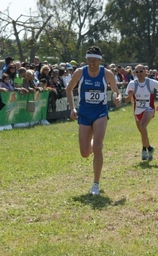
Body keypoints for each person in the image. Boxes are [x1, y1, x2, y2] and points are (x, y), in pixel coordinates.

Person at [65, 45, 122, 196]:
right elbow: (69, 89)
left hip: (100, 112)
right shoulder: (80, 73)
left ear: (100, 60)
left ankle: (95, 184)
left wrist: (118, 97)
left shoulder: (106, 74)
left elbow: (117, 91)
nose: (91, 64)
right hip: (84, 112)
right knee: (84, 153)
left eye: (94, 61)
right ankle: (95, 144)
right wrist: (72, 108)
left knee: (97, 148)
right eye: (89, 61)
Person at [124, 64, 158, 161]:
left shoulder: (150, 82)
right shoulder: (132, 84)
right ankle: (150, 148)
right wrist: (129, 96)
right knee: (142, 132)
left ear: (145, 71)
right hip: (137, 110)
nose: (139, 74)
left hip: (149, 108)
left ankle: (144, 150)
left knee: (143, 126)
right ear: (134, 73)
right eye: (137, 72)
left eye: (141, 71)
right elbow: (126, 101)